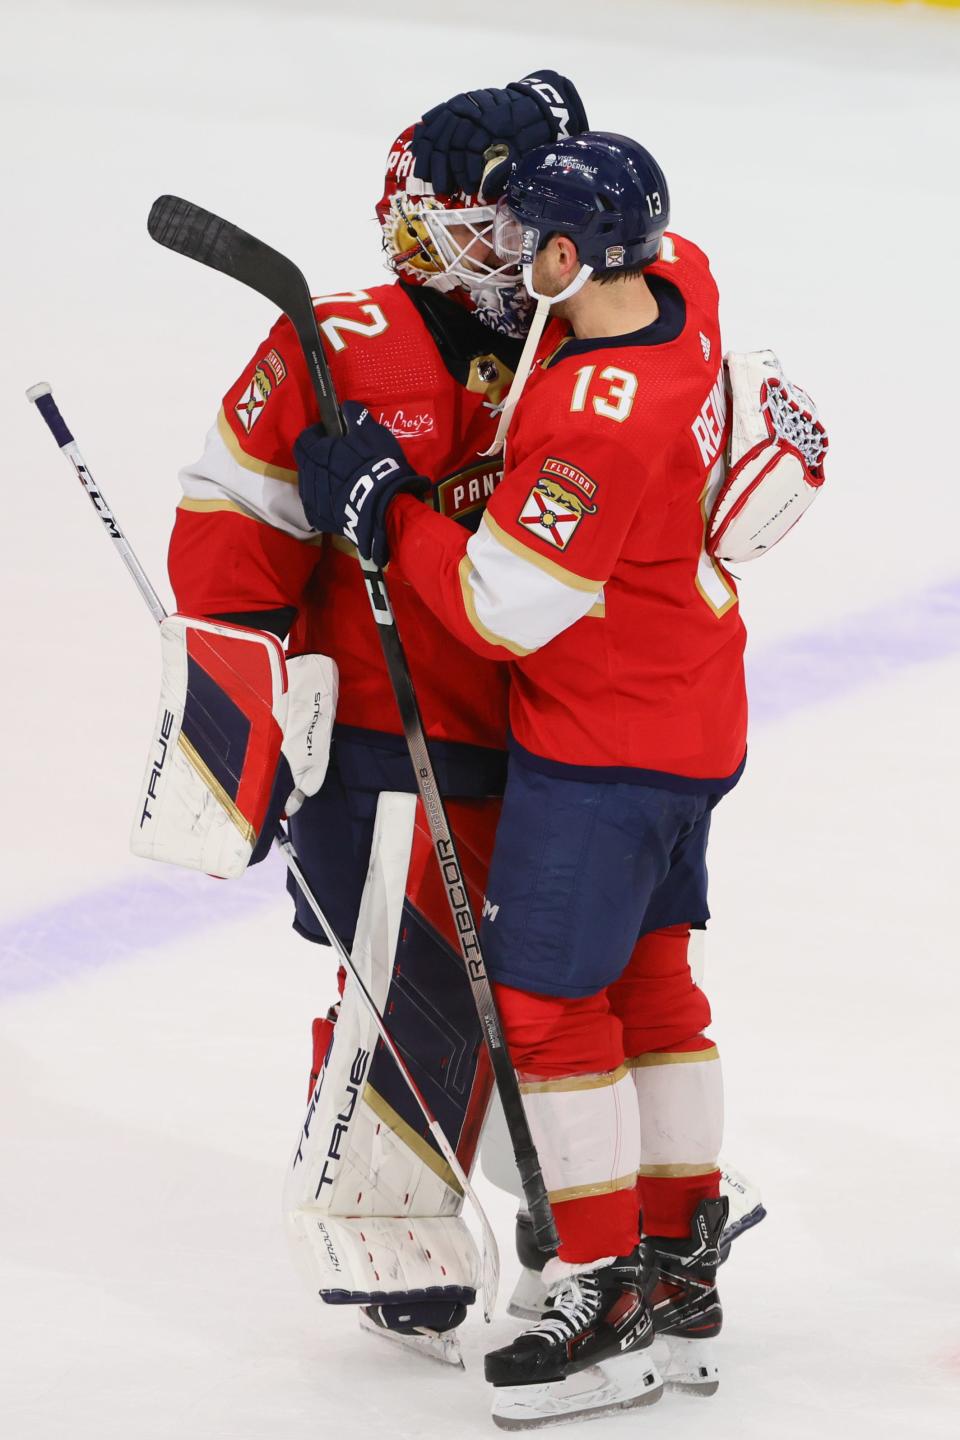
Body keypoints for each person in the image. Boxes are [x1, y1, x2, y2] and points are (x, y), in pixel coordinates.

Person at [294, 130, 827, 1426]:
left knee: (542, 1010)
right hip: (693, 704)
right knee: (652, 980)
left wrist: (388, 504)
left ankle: (602, 1292)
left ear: (571, 253)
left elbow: (503, 605)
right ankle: (680, 1249)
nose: (510, 258)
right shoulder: (680, 281)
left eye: (528, 236)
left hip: (605, 742)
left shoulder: (605, 417)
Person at [165, 73, 589, 1363]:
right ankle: (388, 1217)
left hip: (559, 737)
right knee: (409, 979)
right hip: (379, 741)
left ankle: (617, 1206)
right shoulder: (336, 340)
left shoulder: (582, 332)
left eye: (526, 236)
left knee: (557, 986)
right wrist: (248, 704)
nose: (510, 266)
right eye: (482, 237)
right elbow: (228, 526)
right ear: (417, 220)